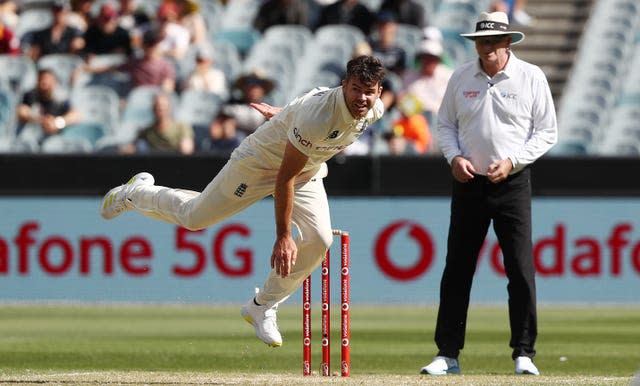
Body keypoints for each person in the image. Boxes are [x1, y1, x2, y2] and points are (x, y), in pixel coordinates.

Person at [99, 55, 386, 347]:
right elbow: (283, 176)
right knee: (194, 218)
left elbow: (311, 125)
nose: (362, 97)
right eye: (355, 89)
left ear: (379, 92)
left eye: (369, 91)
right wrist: (284, 236)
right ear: (344, 85)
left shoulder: (374, 111)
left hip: (306, 171)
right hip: (259, 164)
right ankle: (136, 193)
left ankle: (262, 306)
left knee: (321, 239)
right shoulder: (318, 117)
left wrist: (286, 117)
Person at [420, 12, 557, 376]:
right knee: (457, 270)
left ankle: (524, 352)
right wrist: (454, 158)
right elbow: (445, 124)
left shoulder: (531, 77)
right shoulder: (462, 76)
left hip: (512, 184)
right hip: (468, 184)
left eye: (493, 43)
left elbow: (546, 132)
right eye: (482, 43)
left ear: (508, 42)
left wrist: (513, 161)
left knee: (520, 270)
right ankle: (447, 353)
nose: (487, 49)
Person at [16, 68, 81, 144]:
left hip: (53, 139)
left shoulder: (61, 98)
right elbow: (21, 111)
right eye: (41, 79)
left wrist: (57, 123)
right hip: (31, 137)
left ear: (55, 82)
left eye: (47, 79)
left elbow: (76, 115)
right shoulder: (31, 95)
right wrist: (41, 120)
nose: (44, 82)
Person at [401, 37, 452, 125]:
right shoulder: (409, 77)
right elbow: (404, 103)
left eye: (432, 58)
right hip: (415, 125)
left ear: (438, 59)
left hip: (441, 125)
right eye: (426, 57)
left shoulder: (449, 76)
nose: (429, 61)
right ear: (420, 58)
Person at [129, 92, 195, 154]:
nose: (161, 108)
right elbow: (131, 148)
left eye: (164, 105)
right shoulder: (148, 131)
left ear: (169, 108)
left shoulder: (182, 127)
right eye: (158, 106)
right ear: (153, 109)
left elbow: (187, 150)